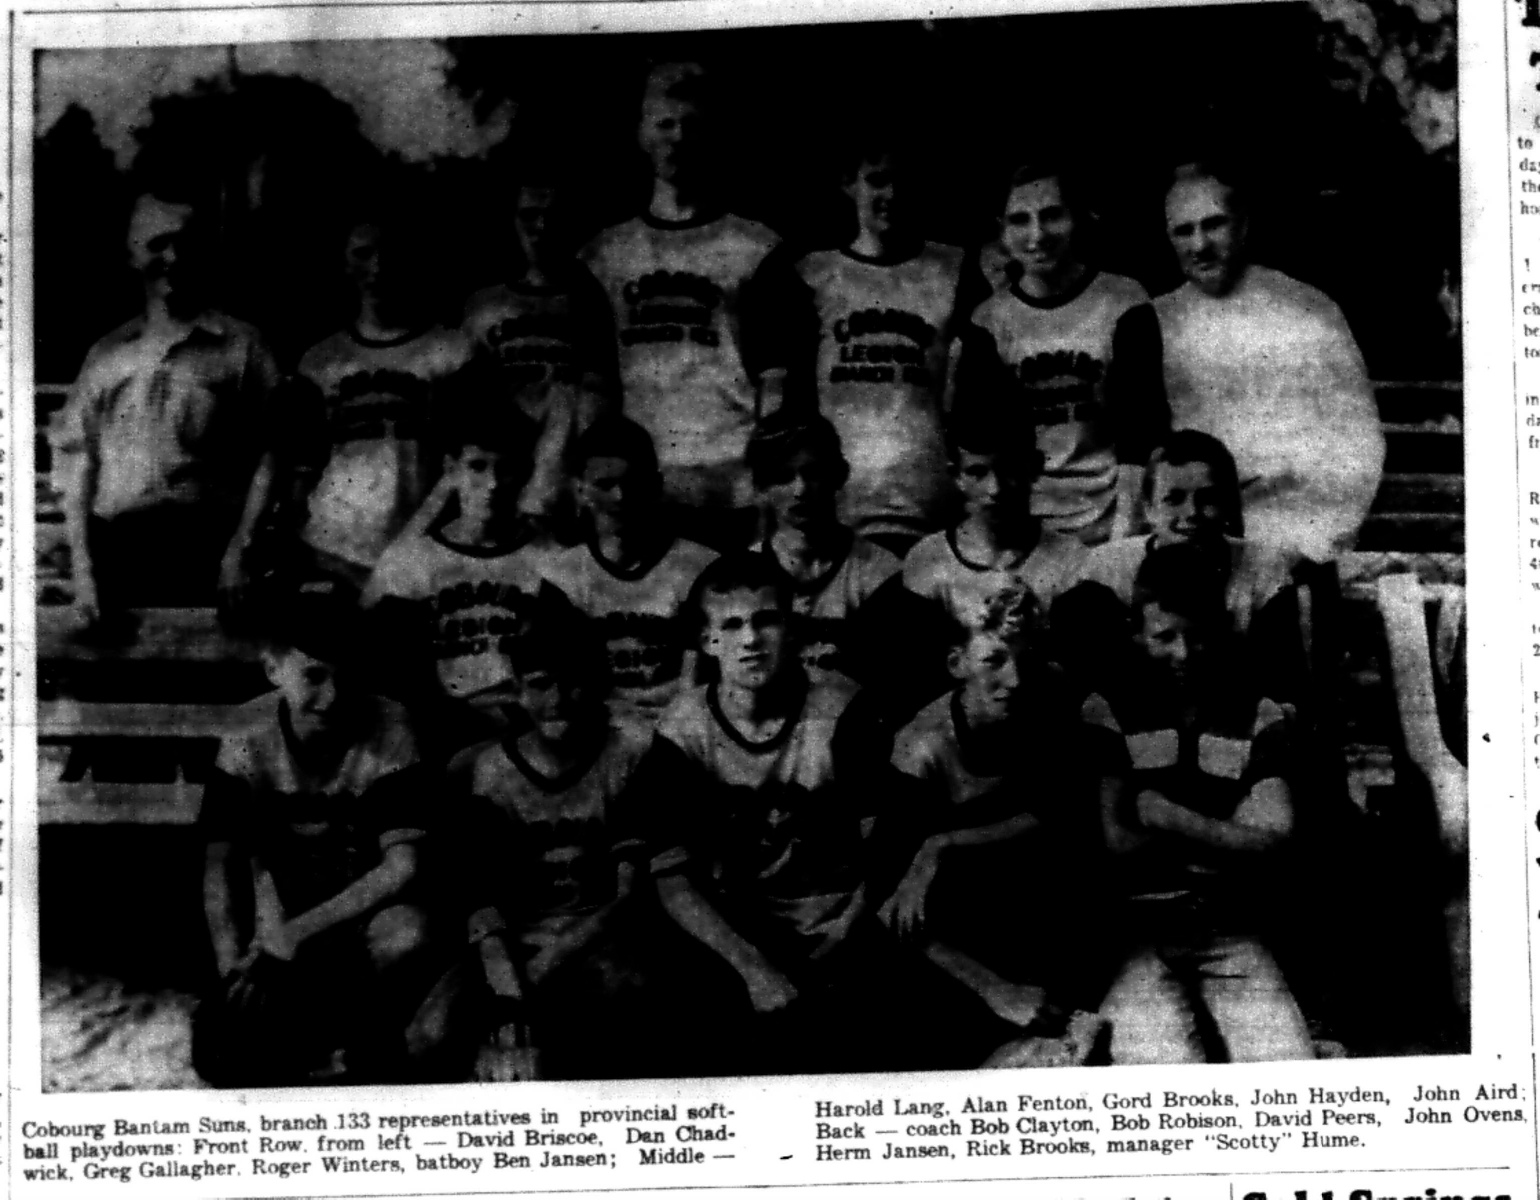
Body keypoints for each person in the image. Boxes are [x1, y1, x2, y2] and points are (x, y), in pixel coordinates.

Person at [634, 553, 1011, 1073]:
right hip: (750, 925)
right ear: (707, 641)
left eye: (766, 619)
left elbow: (886, 850)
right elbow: (671, 877)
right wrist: (752, 966)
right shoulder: (683, 728)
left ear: (793, 628)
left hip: (849, 914)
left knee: (908, 1027)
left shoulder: (844, 709)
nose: (751, 640)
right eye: (732, 625)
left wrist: (844, 938)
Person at [193, 595, 445, 1086]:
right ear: (273, 668)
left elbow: (401, 869)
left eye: (346, 676)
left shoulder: (391, 725)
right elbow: (220, 863)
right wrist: (232, 972)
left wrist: (292, 937)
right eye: (313, 676)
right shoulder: (247, 730)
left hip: (354, 912)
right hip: (278, 908)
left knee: (409, 934)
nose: (332, 695)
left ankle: (355, 1034)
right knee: (226, 1058)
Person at [1082, 542, 1315, 1064]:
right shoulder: (1109, 711)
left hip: (1231, 927)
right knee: (1160, 1069)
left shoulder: (1258, 713)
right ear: (1138, 635)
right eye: (1165, 637)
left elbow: (1275, 842)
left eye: (1199, 636)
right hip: (1140, 936)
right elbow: (1116, 843)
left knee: (1285, 1065)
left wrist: (1166, 815)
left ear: (1223, 629)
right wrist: (1225, 837)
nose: (1184, 655)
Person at [447, 598, 695, 1081]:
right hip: (511, 945)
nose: (558, 698)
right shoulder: (486, 773)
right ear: (516, 690)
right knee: (430, 1033)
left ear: (600, 686)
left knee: (623, 1000)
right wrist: (508, 998)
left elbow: (629, 898)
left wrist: (534, 981)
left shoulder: (635, 752)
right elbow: (481, 906)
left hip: (601, 935)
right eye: (541, 684)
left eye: (573, 681)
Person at [579, 62, 789, 547]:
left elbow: (774, 383)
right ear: (640, 134)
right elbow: (594, 387)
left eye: (691, 125)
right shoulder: (603, 256)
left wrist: (765, 484)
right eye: (664, 124)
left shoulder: (755, 248)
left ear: (711, 135)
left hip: (731, 490)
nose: (677, 138)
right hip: (639, 491)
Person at [51, 191, 281, 628]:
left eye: (185, 243)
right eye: (157, 244)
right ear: (131, 256)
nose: (173, 257)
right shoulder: (105, 355)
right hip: (119, 557)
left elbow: (271, 453)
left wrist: (240, 549)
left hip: (210, 554)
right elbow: (77, 466)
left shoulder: (242, 346)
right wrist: (84, 573)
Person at [882, 587, 1105, 1035]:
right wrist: (995, 989)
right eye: (994, 661)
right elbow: (889, 897)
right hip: (956, 927)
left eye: (1027, 658)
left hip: (1026, 886)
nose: (1017, 680)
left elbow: (1062, 811)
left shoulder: (1050, 692)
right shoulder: (921, 747)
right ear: (956, 664)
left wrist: (943, 843)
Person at [1154, 163, 1384, 564]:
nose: (1199, 245)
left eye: (1214, 225)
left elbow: (1357, 446)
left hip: (1289, 533)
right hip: (1185, 541)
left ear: (1243, 226)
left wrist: (1311, 546)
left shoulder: (1307, 311)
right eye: (1184, 231)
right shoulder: (1155, 321)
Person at [955, 162, 1168, 545]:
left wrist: (1123, 538)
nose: (1037, 235)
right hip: (1028, 525)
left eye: (1051, 215)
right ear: (1002, 229)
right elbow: (982, 451)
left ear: (1076, 217)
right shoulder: (988, 320)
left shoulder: (1122, 300)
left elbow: (1143, 430)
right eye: (1020, 220)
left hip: (1114, 516)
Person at [789, 143, 969, 553]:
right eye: (877, 180)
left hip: (930, 500)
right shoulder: (814, 274)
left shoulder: (953, 270)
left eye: (903, 182)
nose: (892, 195)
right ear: (848, 183)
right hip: (839, 500)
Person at [361, 368, 549, 758]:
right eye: (478, 467)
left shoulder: (551, 557)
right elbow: (394, 673)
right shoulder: (412, 561)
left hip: (529, 727)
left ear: (526, 473)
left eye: (506, 467)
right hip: (437, 725)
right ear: (452, 470)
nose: (493, 484)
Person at [284, 211, 474, 595]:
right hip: (332, 548)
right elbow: (301, 472)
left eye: (389, 254)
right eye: (362, 254)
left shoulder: (450, 351)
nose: (378, 267)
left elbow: (463, 467)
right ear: (344, 263)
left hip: (420, 542)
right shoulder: (319, 360)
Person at [533, 415, 719, 731]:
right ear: (580, 490)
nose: (620, 497)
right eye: (605, 485)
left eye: (634, 484)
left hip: (685, 724)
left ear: (656, 486)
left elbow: (700, 677)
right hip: (600, 727)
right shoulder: (562, 576)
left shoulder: (698, 564)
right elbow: (569, 680)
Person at [462, 162, 617, 534]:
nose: (541, 228)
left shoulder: (594, 302)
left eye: (552, 216)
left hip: (565, 482)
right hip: (500, 476)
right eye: (530, 216)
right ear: (512, 221)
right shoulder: (483, 305)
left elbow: (601, 400)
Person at [902, 403, 1087, 643]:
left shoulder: (1071, 560)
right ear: (957, 476)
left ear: (1035, 466)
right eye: (977, 472)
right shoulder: (927, 560)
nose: (995, 489)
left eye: (1009, 469)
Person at [745, 410, 901, 686]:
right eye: (783, 476)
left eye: (813, 473)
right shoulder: (742, 572)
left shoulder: (880, 571)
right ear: (760, 487)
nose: (800, 489)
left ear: (839, 475)